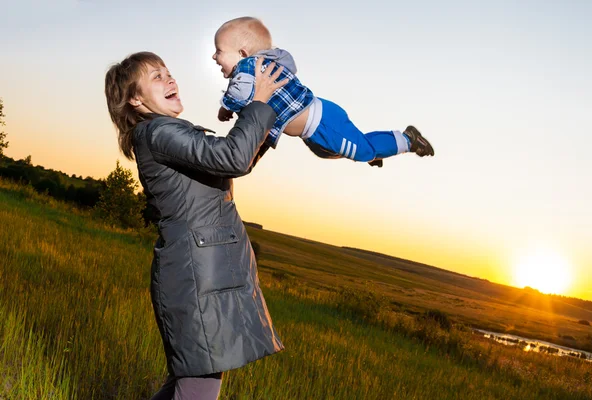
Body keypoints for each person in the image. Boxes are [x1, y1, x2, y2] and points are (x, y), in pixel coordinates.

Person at [104, 51, 288, 400]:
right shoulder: (157, 132)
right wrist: (259, 104)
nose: (170, 79)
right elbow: (232, 156)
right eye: (156, 76)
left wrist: (267, 121)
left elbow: (233, 161)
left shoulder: (165, 131)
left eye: (168, 72)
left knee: (192, 382)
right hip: (195, 277)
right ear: (135, 99)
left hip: (204, 274)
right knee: (198, 386)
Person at [212, 17, 434, 169]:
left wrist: (225, 108)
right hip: (316, 126)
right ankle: (375, 150)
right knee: (325, 152)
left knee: (363, 151)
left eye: (219, 51)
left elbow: (238, 94)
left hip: (323, 123)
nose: (214, 57)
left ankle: (408, 140)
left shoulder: (248, 67)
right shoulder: (264, 64)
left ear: (242, 53)